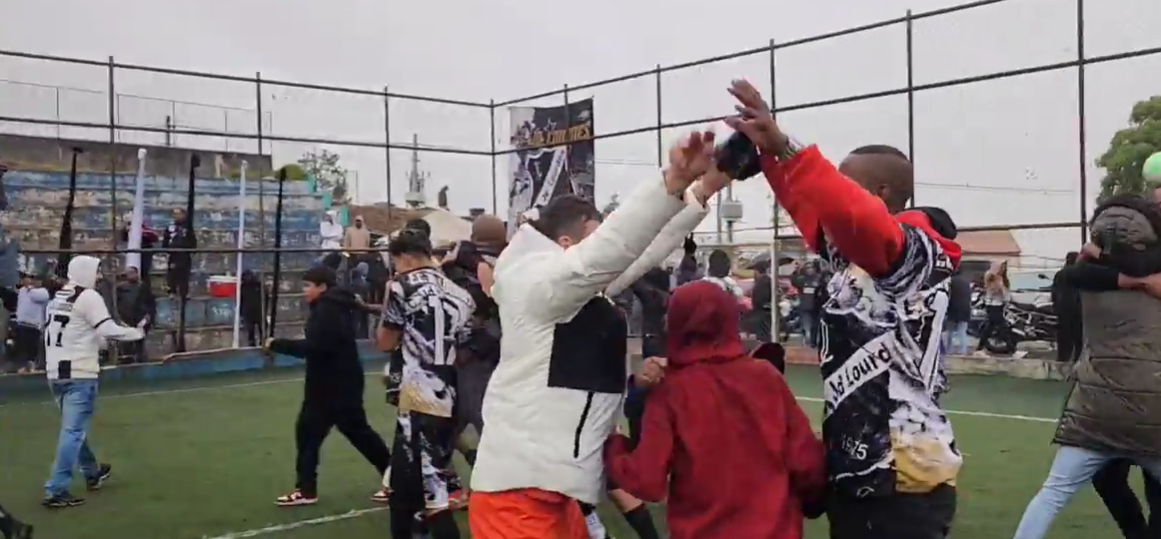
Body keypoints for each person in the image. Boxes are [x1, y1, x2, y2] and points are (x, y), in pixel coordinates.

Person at [726, 78, 961, 538]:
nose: (833, 192)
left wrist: (790, 148)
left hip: (900, 481)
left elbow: (847, 211)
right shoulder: (858, 254)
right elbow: (813, 210)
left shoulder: (912, 256)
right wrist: (770, 154)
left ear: (882, 192)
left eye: (846, 183)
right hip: (861, 473)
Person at [468, 130, 726, 539]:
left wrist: (705, 187)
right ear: (566, 241)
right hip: (518, 498)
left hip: (554, 492)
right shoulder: (535, 283)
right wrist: (671, 183)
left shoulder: (566, 288)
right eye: (596, 233)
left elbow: (641, 250)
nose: (606, 244)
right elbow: (610, 251)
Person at [605, 281, 826, 539]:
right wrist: (812, 501)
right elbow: (806, 460)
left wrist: (613, 446)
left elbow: (646, 480)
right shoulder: (766, 376)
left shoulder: (671, 390)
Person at [1010, 194, 1161, 539]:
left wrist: (1104, 257)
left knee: (1052, 493)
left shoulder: (1086, 277)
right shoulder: (1147, 278)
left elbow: (1071, 275)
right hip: (1153, 413)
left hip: (1096, 411)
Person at [374, 229, 475, 539]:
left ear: (403, 257)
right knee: (415, 484)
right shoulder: (461, 294)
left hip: (419, 392)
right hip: (451, 390)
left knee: (427, 489)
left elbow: (384, 341)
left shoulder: (400, 286)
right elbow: (466, 349)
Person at [266, 265, 392, 507]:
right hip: (335, 381)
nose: (304, 291)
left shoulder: (327, 310)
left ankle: (394, 476)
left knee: (351, 433)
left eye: (308, 286)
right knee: (317, 433)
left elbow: (315, 347)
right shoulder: (334, 305)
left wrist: (278, 344)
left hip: (334, 383)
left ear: (322, 287)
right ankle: (306, 488)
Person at [42, 255, 145, 508]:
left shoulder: (59, 297)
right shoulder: (88, 297)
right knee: (73, 431)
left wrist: (97, 342)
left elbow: (78, 331)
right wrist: (137, 332)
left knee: (73, 428)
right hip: (80, 372)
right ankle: (56, 489)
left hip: (56, 372)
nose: (99, 277)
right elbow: (107, 329)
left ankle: (91, 471)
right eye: (97, 272)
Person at [114, 266, 155, 364]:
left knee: (139, 343)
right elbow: (116, 305)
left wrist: (146, 318)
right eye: (129, 273)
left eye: (133, 272)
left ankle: (140, 361)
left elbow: (150, 304)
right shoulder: (120, 289)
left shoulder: (143, 287)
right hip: (125, 320)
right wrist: (119, 320)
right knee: (126, 344)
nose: (131, 275)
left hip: (140, 320)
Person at [12, 273, 50, 372]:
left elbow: (37, 297)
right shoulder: (22, 291)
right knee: (22, 347)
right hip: (21, 323)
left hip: (34, 325)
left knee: (33, 348)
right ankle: (22, 367)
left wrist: (29, 287)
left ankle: (32, 366)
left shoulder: (43, 292)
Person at [975, 260, 1011, 355]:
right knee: (1002, 326)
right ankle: (1011, 348)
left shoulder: (1000, 278)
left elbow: (1004, 292)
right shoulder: (992, 277)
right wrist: (1001, 288)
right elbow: (994, 290)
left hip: (998, 304)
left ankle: (980, 346)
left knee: (990, 327)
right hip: (993, 305)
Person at [1051, 252, 1082, 362]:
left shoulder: (1060, 274)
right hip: (1077, 310)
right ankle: (1077, 360)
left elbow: (1054, 293)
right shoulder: (1079, 273)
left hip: (1063, 310)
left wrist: (1056, 307)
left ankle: (1062, 359)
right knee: (1078, 338)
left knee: (1064, 338)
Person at [162, 208, 196, 299]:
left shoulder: (187, 226)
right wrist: (165, 249)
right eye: (175, 214)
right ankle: (172, 291)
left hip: (185, 253)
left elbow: (192, 238)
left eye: (179, 214)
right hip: (173, 253)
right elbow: (166, 238)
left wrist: (192, 249)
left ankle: (184, 292)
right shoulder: (170, 227)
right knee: (172, 273)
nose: (177, 216)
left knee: (184, 273)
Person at [944, 268, 972, 356]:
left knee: (950, 331)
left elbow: (947, 295)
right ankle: (962, 350)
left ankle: (949, 350)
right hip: (966, 309)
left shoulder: (950, 282)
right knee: (962, 331)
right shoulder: (966, 282)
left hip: (953, 308)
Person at [239, 270, 264, 347]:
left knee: (262, 327)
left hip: (259, 309)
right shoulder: (243, 286)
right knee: (250, 328)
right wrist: (241, 312)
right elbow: (241, 299)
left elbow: (265, 297)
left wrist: (265, 309)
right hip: (248, 310)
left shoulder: (259, 285)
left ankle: (263, 341)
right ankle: (251, 342)